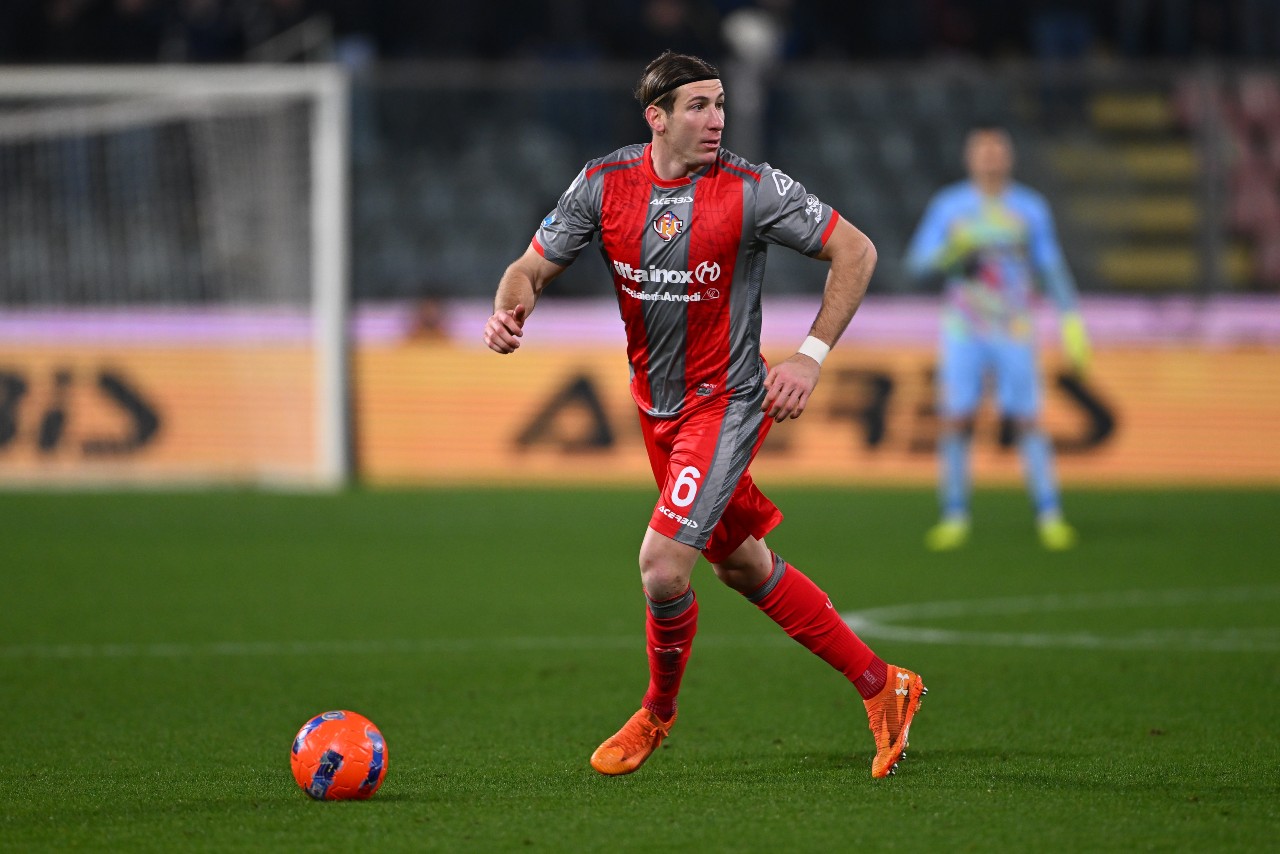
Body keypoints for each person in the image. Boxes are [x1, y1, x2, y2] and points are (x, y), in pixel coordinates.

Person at [483, 50, 925, 779]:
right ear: (656, 117)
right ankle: (884, 685)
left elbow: (856, 249)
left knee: (661, 568)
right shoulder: (603, 184)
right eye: (697, 106)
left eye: (720, 104)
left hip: (725, 406)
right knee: (742, 566)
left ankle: (657, 711)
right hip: (656, 411)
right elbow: (527, 268)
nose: (716, 119)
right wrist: (510, 305)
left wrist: (809, 356)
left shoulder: (752, 190)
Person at [904, 123, 1092, 552]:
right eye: (982, 150)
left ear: (1009, 157)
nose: (990, 158)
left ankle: (1049, 515)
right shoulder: (950, 206)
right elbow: (917, 264)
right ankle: (954, 516)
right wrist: (953, 250)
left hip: (1014, 328)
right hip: (963, 329)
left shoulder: (1030, 208)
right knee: (956, 419)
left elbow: (1051, 266)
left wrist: (1071, 319)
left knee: (1027, 420)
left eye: (997, 150)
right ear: (970, 157)